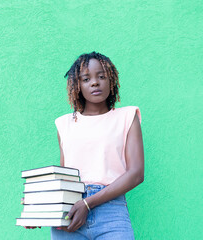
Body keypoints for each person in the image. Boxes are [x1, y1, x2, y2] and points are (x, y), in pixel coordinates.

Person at [50, 51, 145, 239]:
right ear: (77, 85)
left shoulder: (127, 117)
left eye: (101, 76)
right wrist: (37, 210)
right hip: (71, 211)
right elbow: (65, 177)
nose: (95, 82)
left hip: (111, 212)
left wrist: (88, 203)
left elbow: (136, 174)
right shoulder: (64, 124)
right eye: (86, 79)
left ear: (111, 81)